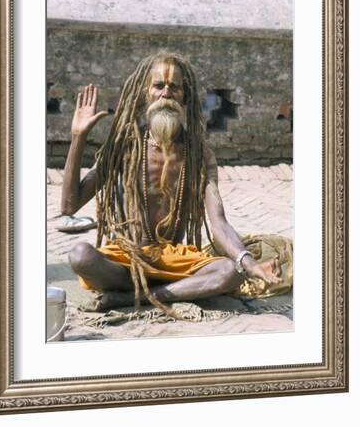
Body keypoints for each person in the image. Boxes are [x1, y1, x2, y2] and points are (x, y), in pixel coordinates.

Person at [61, 51, 292, 316]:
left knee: (231, 272)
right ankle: (165, 291)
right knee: (81, 256)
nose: (166, 93)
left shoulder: (199, 154)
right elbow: (69, 206)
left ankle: (128, 299)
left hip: (176, 262)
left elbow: (218, 222)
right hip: (126, 259)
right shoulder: (123, 147)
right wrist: (78, 138)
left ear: (185, 96)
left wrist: (250, 263)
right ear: (146, 93)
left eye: (175, 87)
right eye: (159, 85)